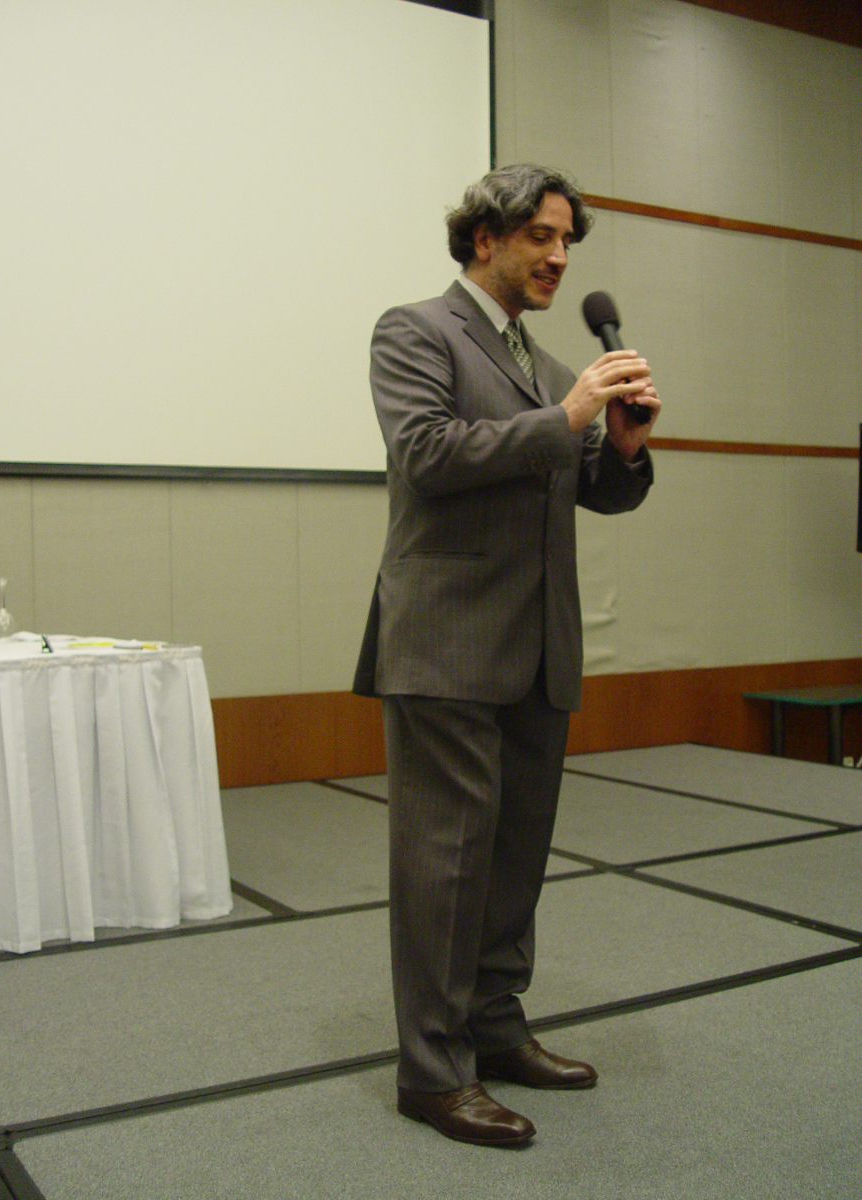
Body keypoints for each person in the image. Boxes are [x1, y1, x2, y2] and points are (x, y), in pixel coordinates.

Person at [353, 163, 660, 1146]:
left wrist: (620, 445)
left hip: (535, 647)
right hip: (446, 643)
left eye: (568, 240)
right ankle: (433, 1071)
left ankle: (493, 1026)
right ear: (484, 237)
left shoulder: (545, 361)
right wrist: (567, 418)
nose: (560, 257)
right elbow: (429, 455)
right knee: (444, 865)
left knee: (513, 858)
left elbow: (593, 488)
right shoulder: (415, 331)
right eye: (541, 235)